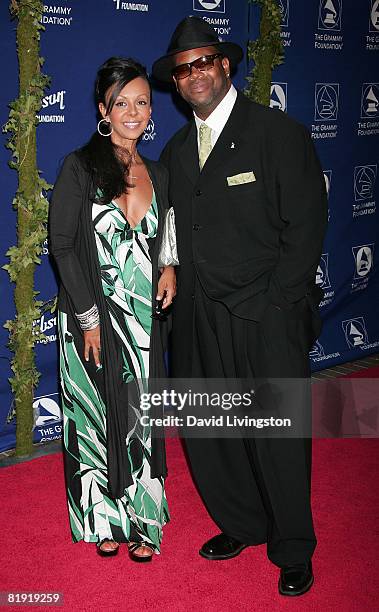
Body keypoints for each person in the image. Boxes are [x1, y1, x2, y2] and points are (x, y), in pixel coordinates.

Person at [153, 17, 327, 595]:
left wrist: (279, 304)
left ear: (226, 66)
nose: (194, 74)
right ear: (176, 83)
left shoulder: (278, 134)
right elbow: (173, 224)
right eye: (183, 68)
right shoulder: (176, 150)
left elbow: (306, 227)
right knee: (212, 430)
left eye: (204, 61)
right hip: (199, 314)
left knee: (276, 432)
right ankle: (244, 523)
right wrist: (171, 267)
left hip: (265, 311)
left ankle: (293, 545)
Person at [49, 57, 176, 561]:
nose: (132, 111)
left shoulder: (160, 173)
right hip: (89, 315)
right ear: (103, 109)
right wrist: (87, 318)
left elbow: (166, 235)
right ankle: (103, 518)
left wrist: (169, 268)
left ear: (151, 110)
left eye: (141, 102)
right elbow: (62, 245)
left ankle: (143, 521)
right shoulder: (80, 166)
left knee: (141, 417)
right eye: (121, 102)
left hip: (143, 320)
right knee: (95, 415)